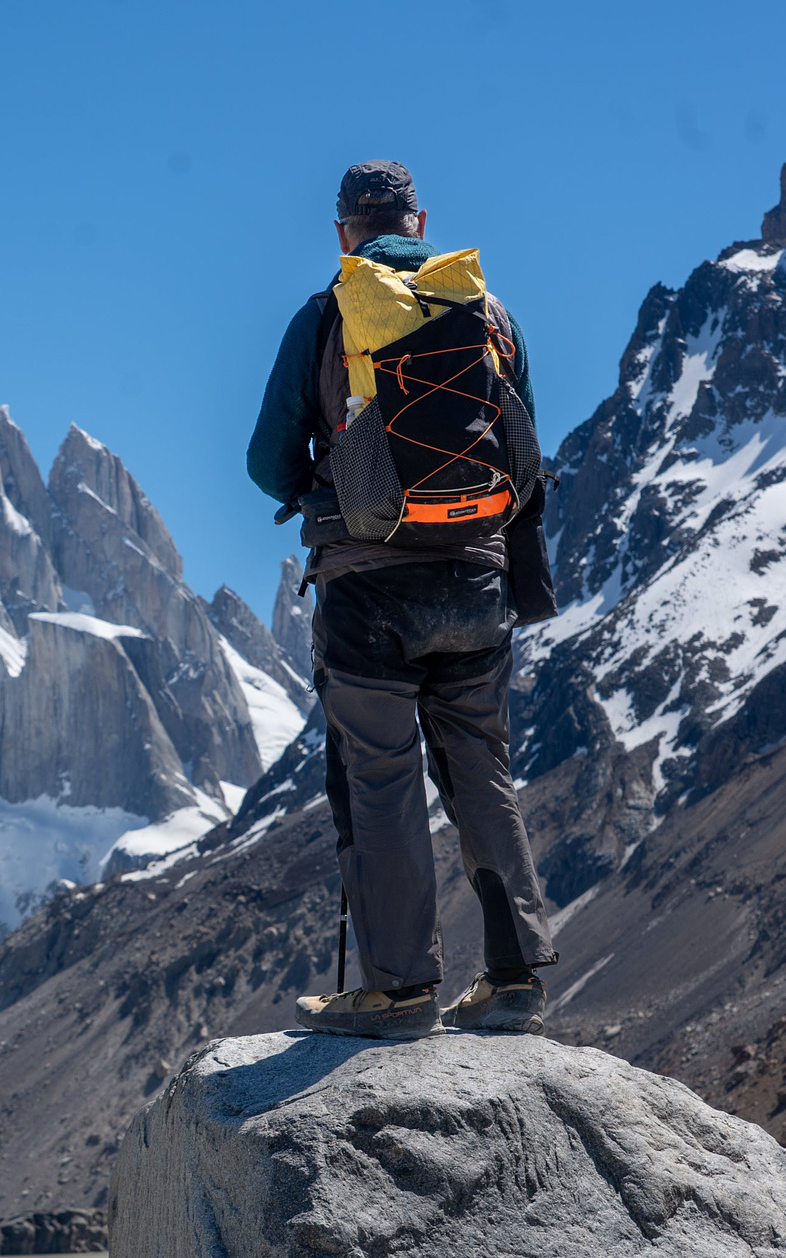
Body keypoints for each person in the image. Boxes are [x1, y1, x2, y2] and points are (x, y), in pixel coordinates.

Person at [245, 160, 558, 1040]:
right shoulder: (490, 316)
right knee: (480, 770)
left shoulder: (328, 315)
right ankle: (515, 976)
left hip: (368, 587)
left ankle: (399, 990)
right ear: (421, 222)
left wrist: (329, 470)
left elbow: (267, 461)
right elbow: (523, 449)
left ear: (344, 231)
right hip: (479, 583)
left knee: (378, 778)